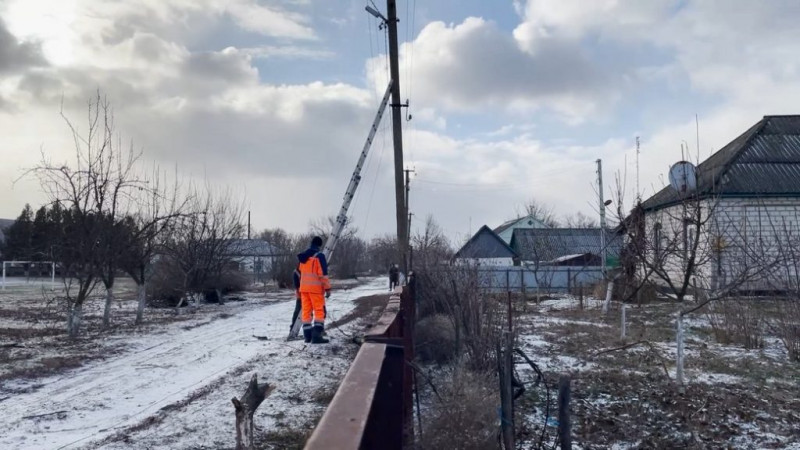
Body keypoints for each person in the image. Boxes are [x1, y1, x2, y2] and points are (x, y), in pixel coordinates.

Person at [297, 236, 330, 344]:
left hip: (304, 289)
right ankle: (317, 336)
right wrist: (327, 288)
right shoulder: (319, 256)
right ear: (319, 245)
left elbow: (300, 272)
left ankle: (307, 336)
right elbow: (323, 275)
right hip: (315, 289)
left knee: (306, 312)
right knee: (319, 311)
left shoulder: (303, 257)